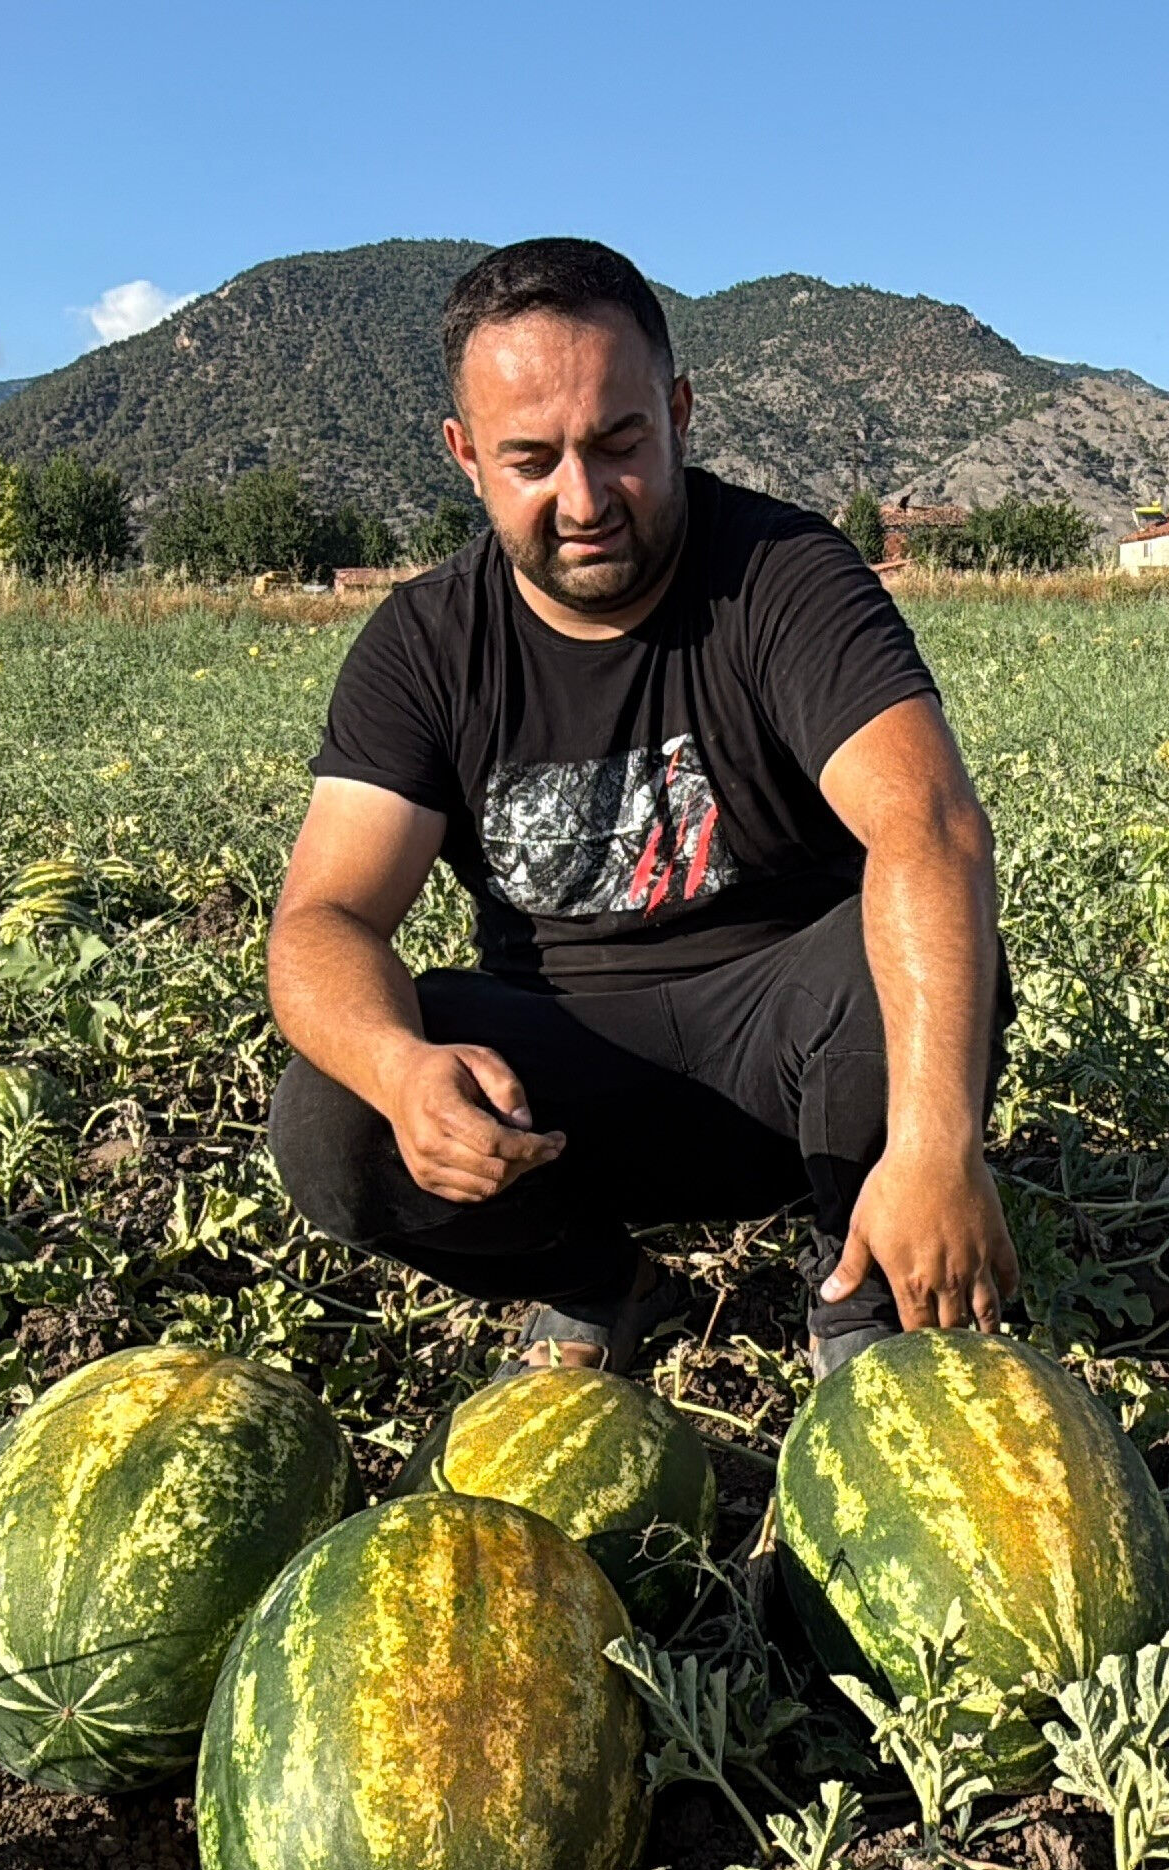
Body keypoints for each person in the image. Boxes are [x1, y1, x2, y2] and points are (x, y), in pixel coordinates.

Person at [263, 236, 1020, 1382]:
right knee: (333, 1116)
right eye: (531, 460)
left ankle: (855, 1280)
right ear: (465, 457)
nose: (583, 500)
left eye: (618, 444)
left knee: (910, 933)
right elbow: (322, 918)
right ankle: (596, 1281)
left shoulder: (781, 576)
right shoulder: (423, 644)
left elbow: (930, 827)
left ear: (676, 412)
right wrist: (397, 1068)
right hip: (566, 1087)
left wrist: (932, 1142)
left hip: (801, 1063)